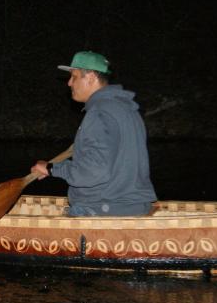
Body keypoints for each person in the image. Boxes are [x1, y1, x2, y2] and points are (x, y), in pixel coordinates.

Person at [30, 50, 157, 216]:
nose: (69, 83)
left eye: (74, 77)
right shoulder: (128, 109)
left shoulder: (99, 112)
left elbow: (94, 171)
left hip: (102, 210)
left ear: (90, 77)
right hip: (134, 206)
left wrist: (53, 169)